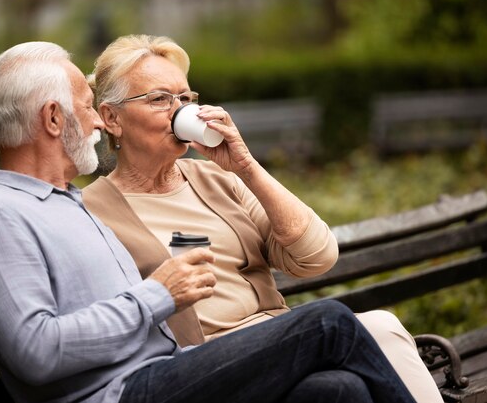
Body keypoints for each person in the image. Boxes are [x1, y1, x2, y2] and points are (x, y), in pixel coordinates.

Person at [0, 41, 415, 403]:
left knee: (339, 393)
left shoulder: (68, 205)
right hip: (126, 392)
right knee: (327, 323)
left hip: (173, 374)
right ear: (54, 118)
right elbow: (36, 352)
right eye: (87, 105)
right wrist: (158, 295)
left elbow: (314, 255)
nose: (95, 120)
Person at [83, 34, 443, 403]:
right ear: (112, 118)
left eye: (186, 99)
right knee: (375, 331)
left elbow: (317, 257)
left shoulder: (218, 180)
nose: (179, 111)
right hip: (209, 369)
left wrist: (246, 168)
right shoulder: (91, 212)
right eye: (160, 99)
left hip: (283, 345)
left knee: (343, 387)